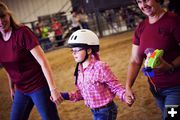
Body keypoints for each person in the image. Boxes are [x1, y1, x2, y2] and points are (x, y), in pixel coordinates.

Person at [0, 2, 62, 120]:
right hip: (21, 89)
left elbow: (43, 61)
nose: (1, 21)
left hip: (38, 85)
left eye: (3, 16)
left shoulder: (22, 32)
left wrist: (52, 89)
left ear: (8, 15)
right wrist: (11, 87)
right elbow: (8, 66)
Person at [125, 0, 180, 119]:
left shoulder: (174, 21)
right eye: (139, 2)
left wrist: (170, 66)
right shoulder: (141, 27)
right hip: (156, 90)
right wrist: (128, 86)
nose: (143, 5)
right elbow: (135, 60)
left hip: (175, 87)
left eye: (146, 0)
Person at [60, 29, 131, 120]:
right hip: (94, 111)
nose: (74, 53)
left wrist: (124, 96)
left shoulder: (100, 67)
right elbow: (82, 93)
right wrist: (65, 96)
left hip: (106, 111)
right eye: (72, 51)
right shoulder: (79, 70)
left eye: (77, 50)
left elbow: (115, 86)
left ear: (89, 50)